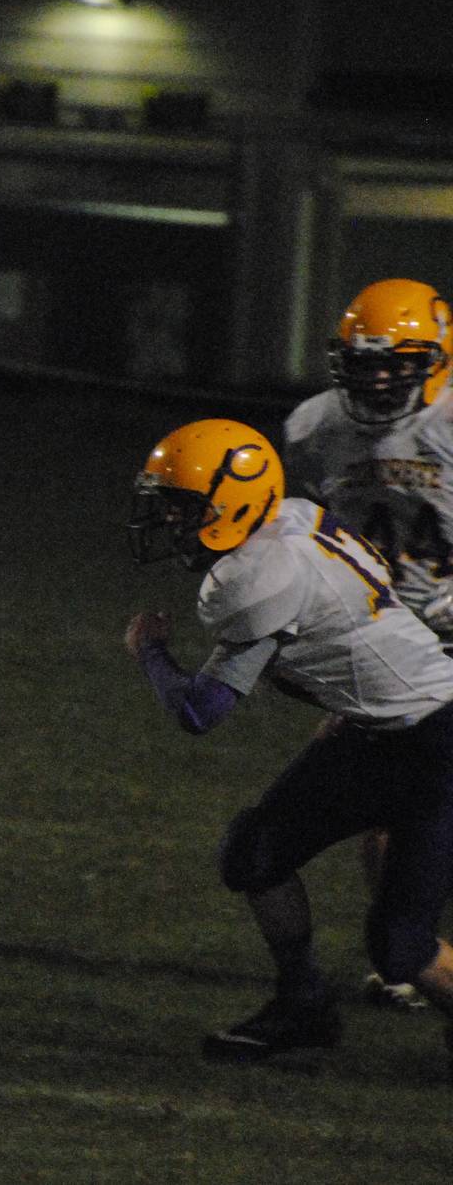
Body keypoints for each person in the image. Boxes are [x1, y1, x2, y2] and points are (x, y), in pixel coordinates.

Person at [124, 417, 453, 1067]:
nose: (170, 520)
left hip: (436, 740)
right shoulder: (293, 519)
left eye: (183, 505)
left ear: (232, 502)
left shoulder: (257, 576)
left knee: (401, 947)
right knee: (254, 852)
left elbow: (200, 709)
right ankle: (303, 1003)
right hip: (382, 726)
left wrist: (150, 652)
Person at [283, 276, 453, 1012]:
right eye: (365, 363)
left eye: (396, 364)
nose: (379, 379)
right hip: (384, 639)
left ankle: (410, 950)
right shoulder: (314, 426)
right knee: (384, 800)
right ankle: (405, 959)